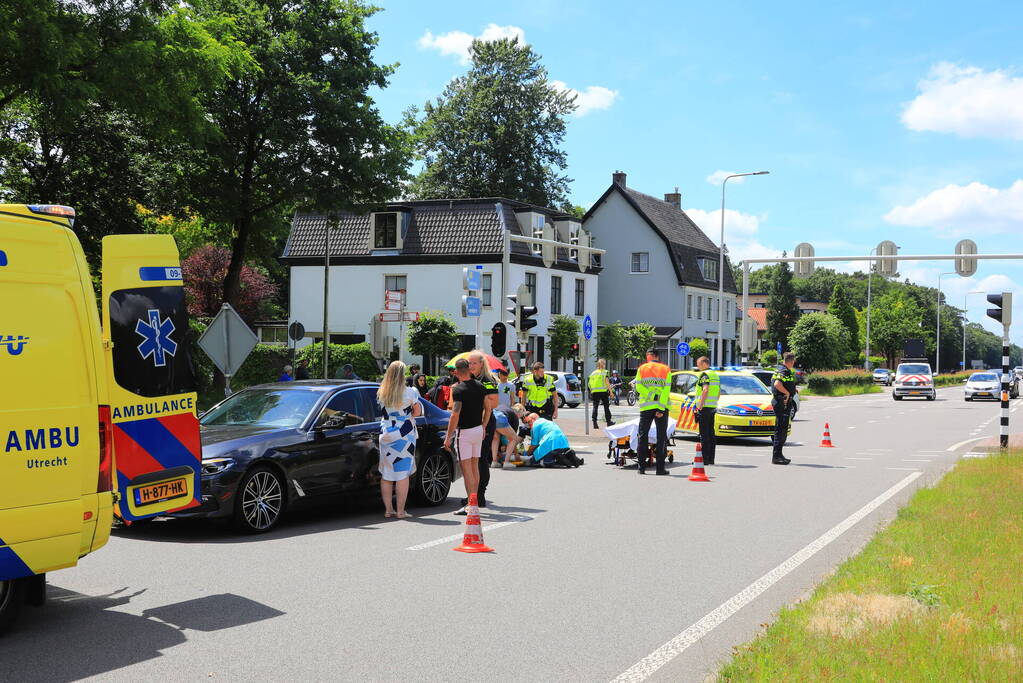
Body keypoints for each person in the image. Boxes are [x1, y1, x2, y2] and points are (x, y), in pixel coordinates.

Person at [376, 361, 423, 519]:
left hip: (386, 433)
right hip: (404, 435)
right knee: (402, 474)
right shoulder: (410, 392)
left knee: (387, 473)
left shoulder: (382, 391)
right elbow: (417, 412)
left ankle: (388, 510)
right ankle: (401, 511)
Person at [442, 358, 490, 510]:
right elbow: (488, 408)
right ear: (469, 369)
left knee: (466, 469)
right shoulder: (480, 386)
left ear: (456, 372)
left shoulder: (457, 389)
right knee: (474, 466)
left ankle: (471, 503)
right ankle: (474, 501)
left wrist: (448, 437)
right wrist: (483, 426)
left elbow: (454, 415)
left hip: (464, 432)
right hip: (477, 429)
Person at [465, 350, 499, 508]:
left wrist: (474, 402)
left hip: (485, 422)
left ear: (481, 364)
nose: (471, 366)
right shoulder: (468, 378)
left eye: (474, 363)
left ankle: (480, 494)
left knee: (481, 459)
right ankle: (472, 494)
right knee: (471, 460)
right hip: (470, 422)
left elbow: (494, 402)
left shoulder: (488, 379)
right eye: (469, 363)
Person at [635, 348, 671, 475]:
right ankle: (660, 469)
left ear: (650, 355)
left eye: (647, 355)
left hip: (646, 407)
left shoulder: (641, 369)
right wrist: (660, 407)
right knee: (661, 438)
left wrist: (651, 396)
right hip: (662, 407)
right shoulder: (666, 369)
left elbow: (638, 387)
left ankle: (641, 468)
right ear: (658, 356)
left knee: (643, 436)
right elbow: (666, 391)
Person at [771, 353, 798, 465]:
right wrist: (787, 392)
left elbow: (784, 383)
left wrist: (793, 390)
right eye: (793, 362)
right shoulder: (784, 371)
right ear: (791, 361)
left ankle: (779, 455)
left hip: (782, 402)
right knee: (780, 430)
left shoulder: (781, 369)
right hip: (782, 402)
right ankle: (776, 456)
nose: (793, 364)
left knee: (782, 430)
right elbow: (777, 384)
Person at [693, 356, 720, 465]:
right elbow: (718, 392)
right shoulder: (715, 375)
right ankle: (711, 458)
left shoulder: (704, 375)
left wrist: (700, 405)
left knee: (704, 434)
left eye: (699, 364)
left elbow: (705, 390)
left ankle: (704, 459)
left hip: (704, 408)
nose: (698, 366)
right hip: (712, 407)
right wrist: (714, 403)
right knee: (711, 433)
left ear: (705, 363)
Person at [490, 403, 523, 468]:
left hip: (492, 416)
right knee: (513, 438)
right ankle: (506, 462)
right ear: (518, 413)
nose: (520, 418)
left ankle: (494, 462)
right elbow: (513, 439)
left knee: (495, 439)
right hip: (500, 417)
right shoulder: (515, 417)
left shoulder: (506, 407)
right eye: (520, 416)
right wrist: (516, 454)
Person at [588, 358, 615, 429]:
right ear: (603, 364)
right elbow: (607, 382)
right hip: (603, 392)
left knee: (595, 407)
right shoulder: (605, 372)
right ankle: (609, 422)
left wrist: (592, 391)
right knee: (606, 407)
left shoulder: (593, 373)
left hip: (595, 392)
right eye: (604, 363)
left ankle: (594, 423)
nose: (604, 365)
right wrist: (611, 392)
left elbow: (589, 384)